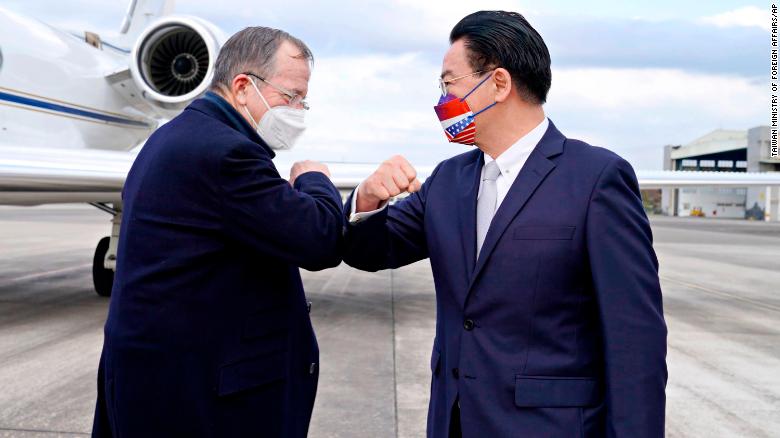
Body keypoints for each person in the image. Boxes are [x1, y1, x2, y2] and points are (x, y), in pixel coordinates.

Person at [343, 11, 667, 438]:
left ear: (498, 83)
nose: (442, 100)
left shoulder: (595, 179)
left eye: (448, 83)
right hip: (455, 423)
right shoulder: (447, 181)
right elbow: (370, 250)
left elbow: (634, 342)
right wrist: (365, 201)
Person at [92, 27, 343, 437]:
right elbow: (320, 240)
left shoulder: (172, 137)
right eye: (292, 96)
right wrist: (313, 179)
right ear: (243, 87)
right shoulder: (227, 153)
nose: (299, 110)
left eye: (304, 100)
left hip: (155, 382)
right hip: (195, 401)